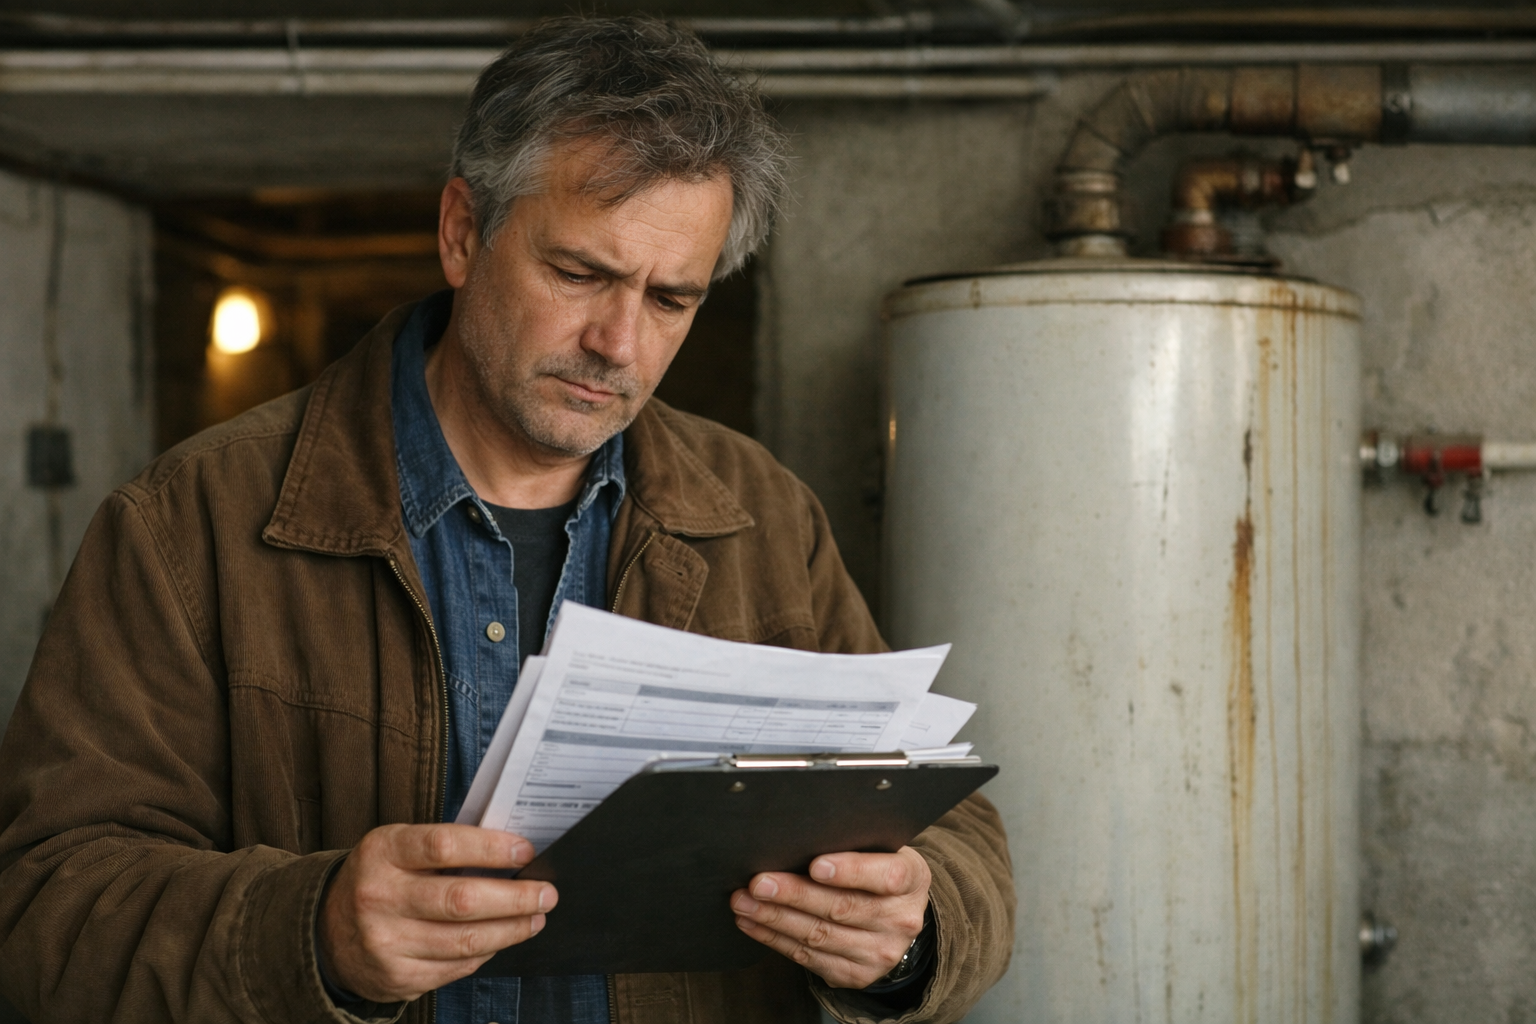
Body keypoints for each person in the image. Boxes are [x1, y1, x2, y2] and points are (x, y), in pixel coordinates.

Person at [0, 16, 1013, 1024]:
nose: (619, 342)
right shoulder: (190, 525)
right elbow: (43, 913)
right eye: (580, 274)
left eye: (671, 299)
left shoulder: (761, 516)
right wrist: (309, 932)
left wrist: (909, 933)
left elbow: (954, 837)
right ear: (461, 232)